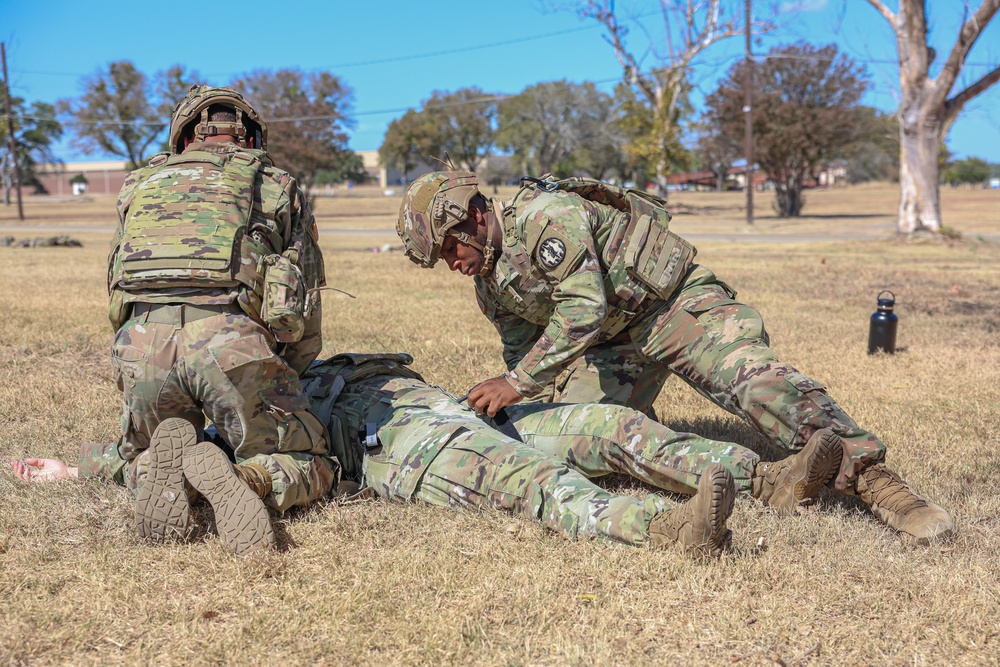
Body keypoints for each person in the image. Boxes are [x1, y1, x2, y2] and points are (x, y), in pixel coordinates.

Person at [395, 171, 955, 544]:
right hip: (615, 347)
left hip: (672, 306)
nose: (454, 264)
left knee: (758, 386)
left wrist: (516, 381)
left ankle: (880, 483)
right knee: (591, 434)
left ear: (468, 216)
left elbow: (582, 309)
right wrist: (519, 401)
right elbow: (526, 353)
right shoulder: (491, 285)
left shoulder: (546, 217)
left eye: (449, 249)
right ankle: (762, 477)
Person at [9, 352, 853, 557]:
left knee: (609, 426)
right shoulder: (246, 408)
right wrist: (77, 466)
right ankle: (668, 529)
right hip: (390, 442)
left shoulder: (268, 362)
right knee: (536, 484)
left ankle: (766, 478)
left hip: (425, 401)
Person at [106, 85, 335, 554]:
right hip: (231, 345)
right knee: (313, 460)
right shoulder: (275, 184)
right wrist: (285, 377)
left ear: (183, 136)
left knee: (141, 454)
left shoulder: (136, 186)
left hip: (142, 348)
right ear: (248, 137)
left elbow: (117, 289)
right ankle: (244, 477)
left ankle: (156, 472)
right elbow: (305, 307)